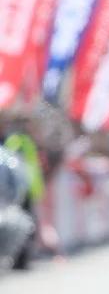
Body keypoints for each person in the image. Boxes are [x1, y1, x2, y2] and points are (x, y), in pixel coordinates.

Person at [4, 113, 45, 270]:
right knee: (23, 224)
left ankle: (24, 258)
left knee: (29, 224)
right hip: (20, 189)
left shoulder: (27, 140)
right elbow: (13, 164)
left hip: (29, 188)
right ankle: (20, 259)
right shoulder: (16, 141)